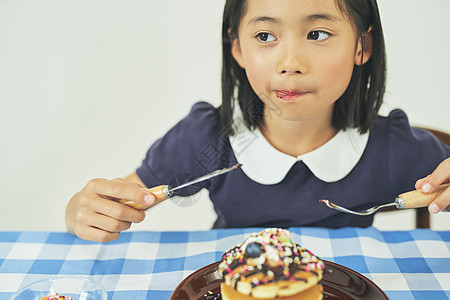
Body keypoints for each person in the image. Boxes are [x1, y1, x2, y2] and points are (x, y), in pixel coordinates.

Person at [65, 0, 450, 242]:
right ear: (237, 48)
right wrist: (81, 211)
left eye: (317, 34)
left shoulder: (394, 148)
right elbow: (110, 202)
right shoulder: (205, 139)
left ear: (362, 46)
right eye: (265, 35)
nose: (290, 64)